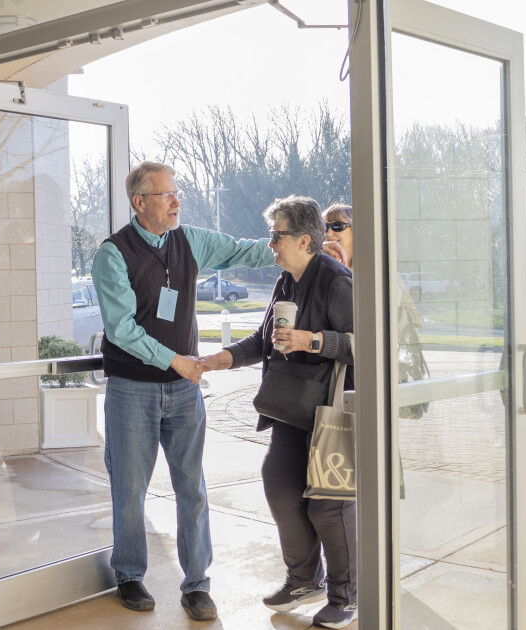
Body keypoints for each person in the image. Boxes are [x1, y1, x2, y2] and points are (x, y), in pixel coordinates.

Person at [92, 161, 273, 621]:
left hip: (184, 392)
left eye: (177, 194)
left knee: (191, 487)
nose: (176, 202)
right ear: (140, 203)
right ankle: (130, 575)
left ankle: (196, 585)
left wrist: (292, 246)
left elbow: (242, 252)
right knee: (129, 488)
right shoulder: (113, 254)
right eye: (166, 195)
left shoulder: (189, 240)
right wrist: (177, 361)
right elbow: (122, 329)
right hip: (133, 390)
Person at [202, 195, 357, 630]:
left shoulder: (335, 281)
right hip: (292, 407)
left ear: (305, 240)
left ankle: (347, 596)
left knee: (328, 504)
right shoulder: (287, 281)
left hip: (331, 411)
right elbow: (263, 337)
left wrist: (313, 341)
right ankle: (305, 579)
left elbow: (367, 342)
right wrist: (223, 358)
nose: (270, 245)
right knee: (280, 485)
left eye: (277, 236)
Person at [321, 203, 428, 418]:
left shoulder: (377, 267)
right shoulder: (322, 266)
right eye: (325, 226)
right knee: (338, 436)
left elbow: (412, 316)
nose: (330, 232)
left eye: (338, 226)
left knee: (376, 437)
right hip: (334, 369)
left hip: (372, 365)